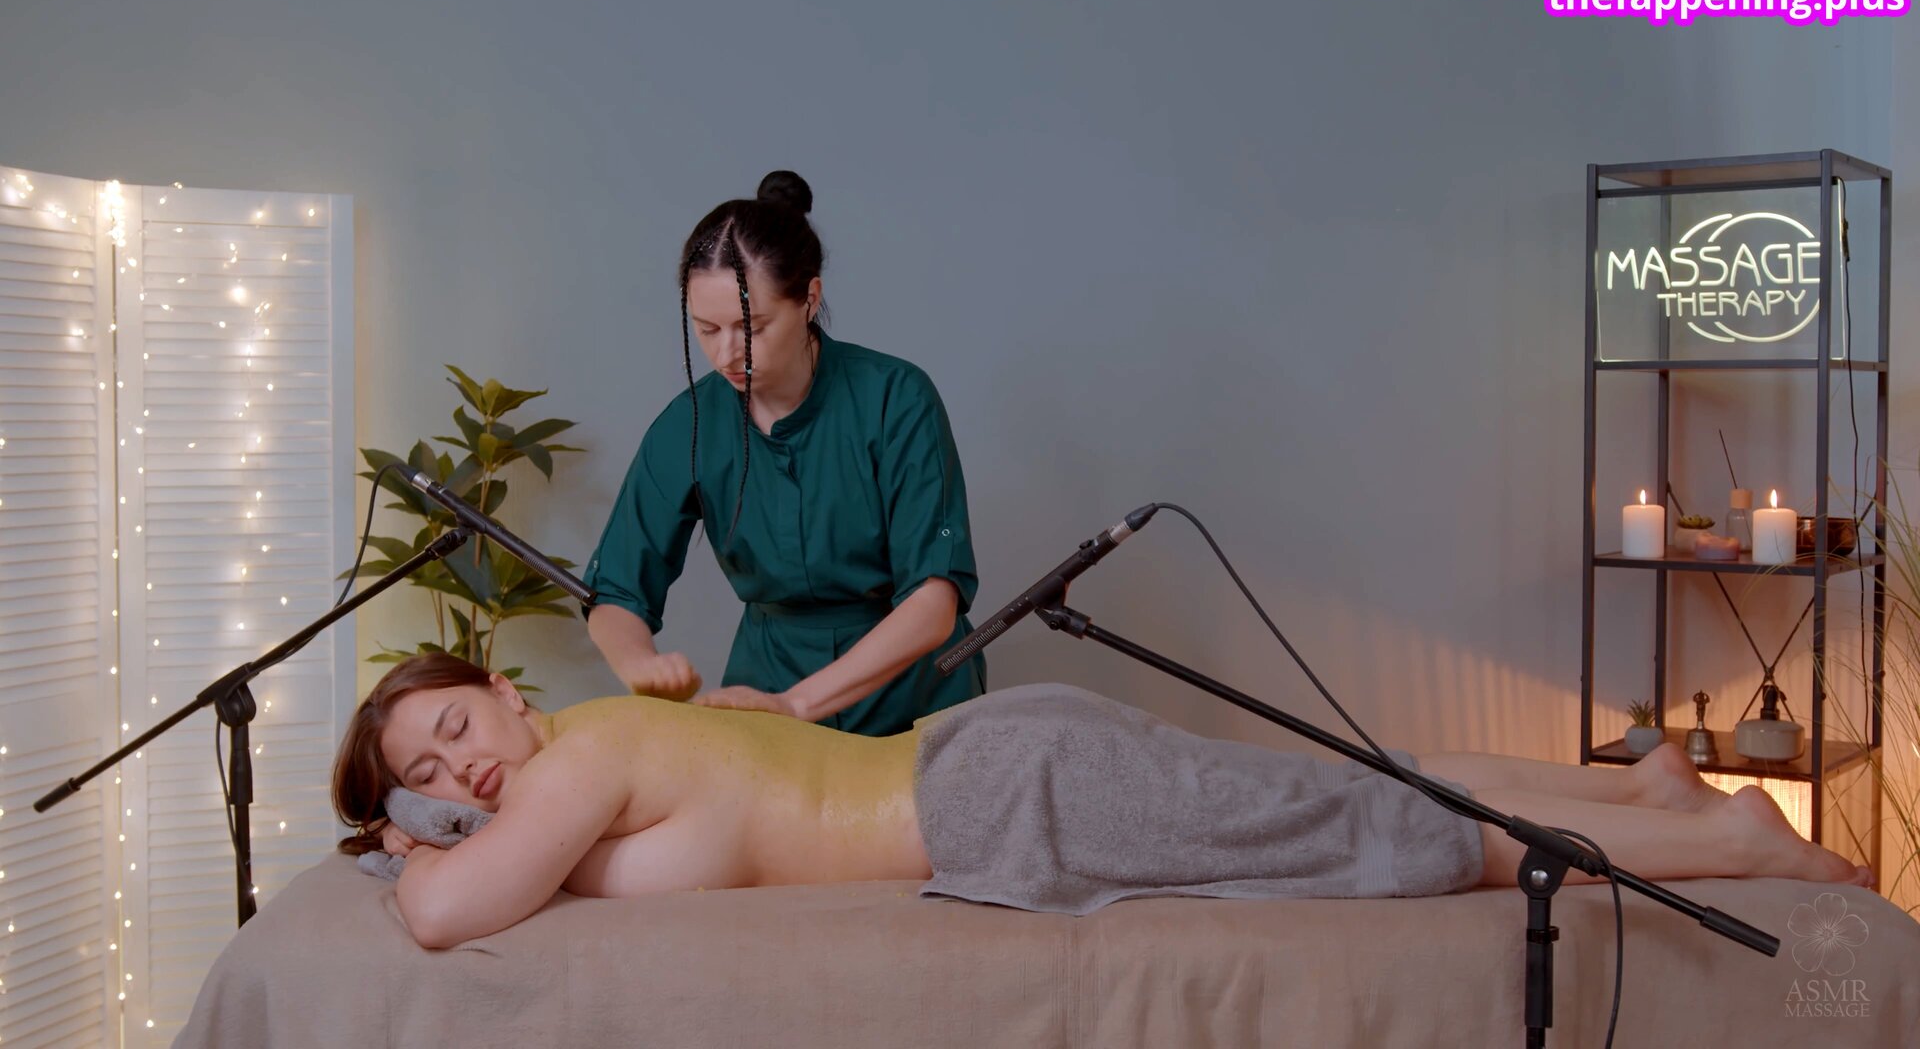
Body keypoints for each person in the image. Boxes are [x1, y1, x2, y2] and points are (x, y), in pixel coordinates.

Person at [333, 654, 1871, 950]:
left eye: (456, 732)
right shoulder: (622, 741)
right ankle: (1648, 787)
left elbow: (444, 914)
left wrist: (416, 839)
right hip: (995, 760)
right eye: (430, 777)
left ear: (510, 694)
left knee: (1365, 834)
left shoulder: (580, 762)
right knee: (1346, 789)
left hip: (1009, 795)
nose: (465, 777)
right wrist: (440, 814)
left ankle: (1728, 842)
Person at [582, 170, 984, 736]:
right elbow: (616, 590)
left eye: (752, 328)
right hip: (765, 683)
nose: (726, 353)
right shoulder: (687, 424)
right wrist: (639, 664)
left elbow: (934, 599)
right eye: (706, 329)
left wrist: (798, 704)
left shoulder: (896, 397)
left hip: (910, 687)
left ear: (809, 299)